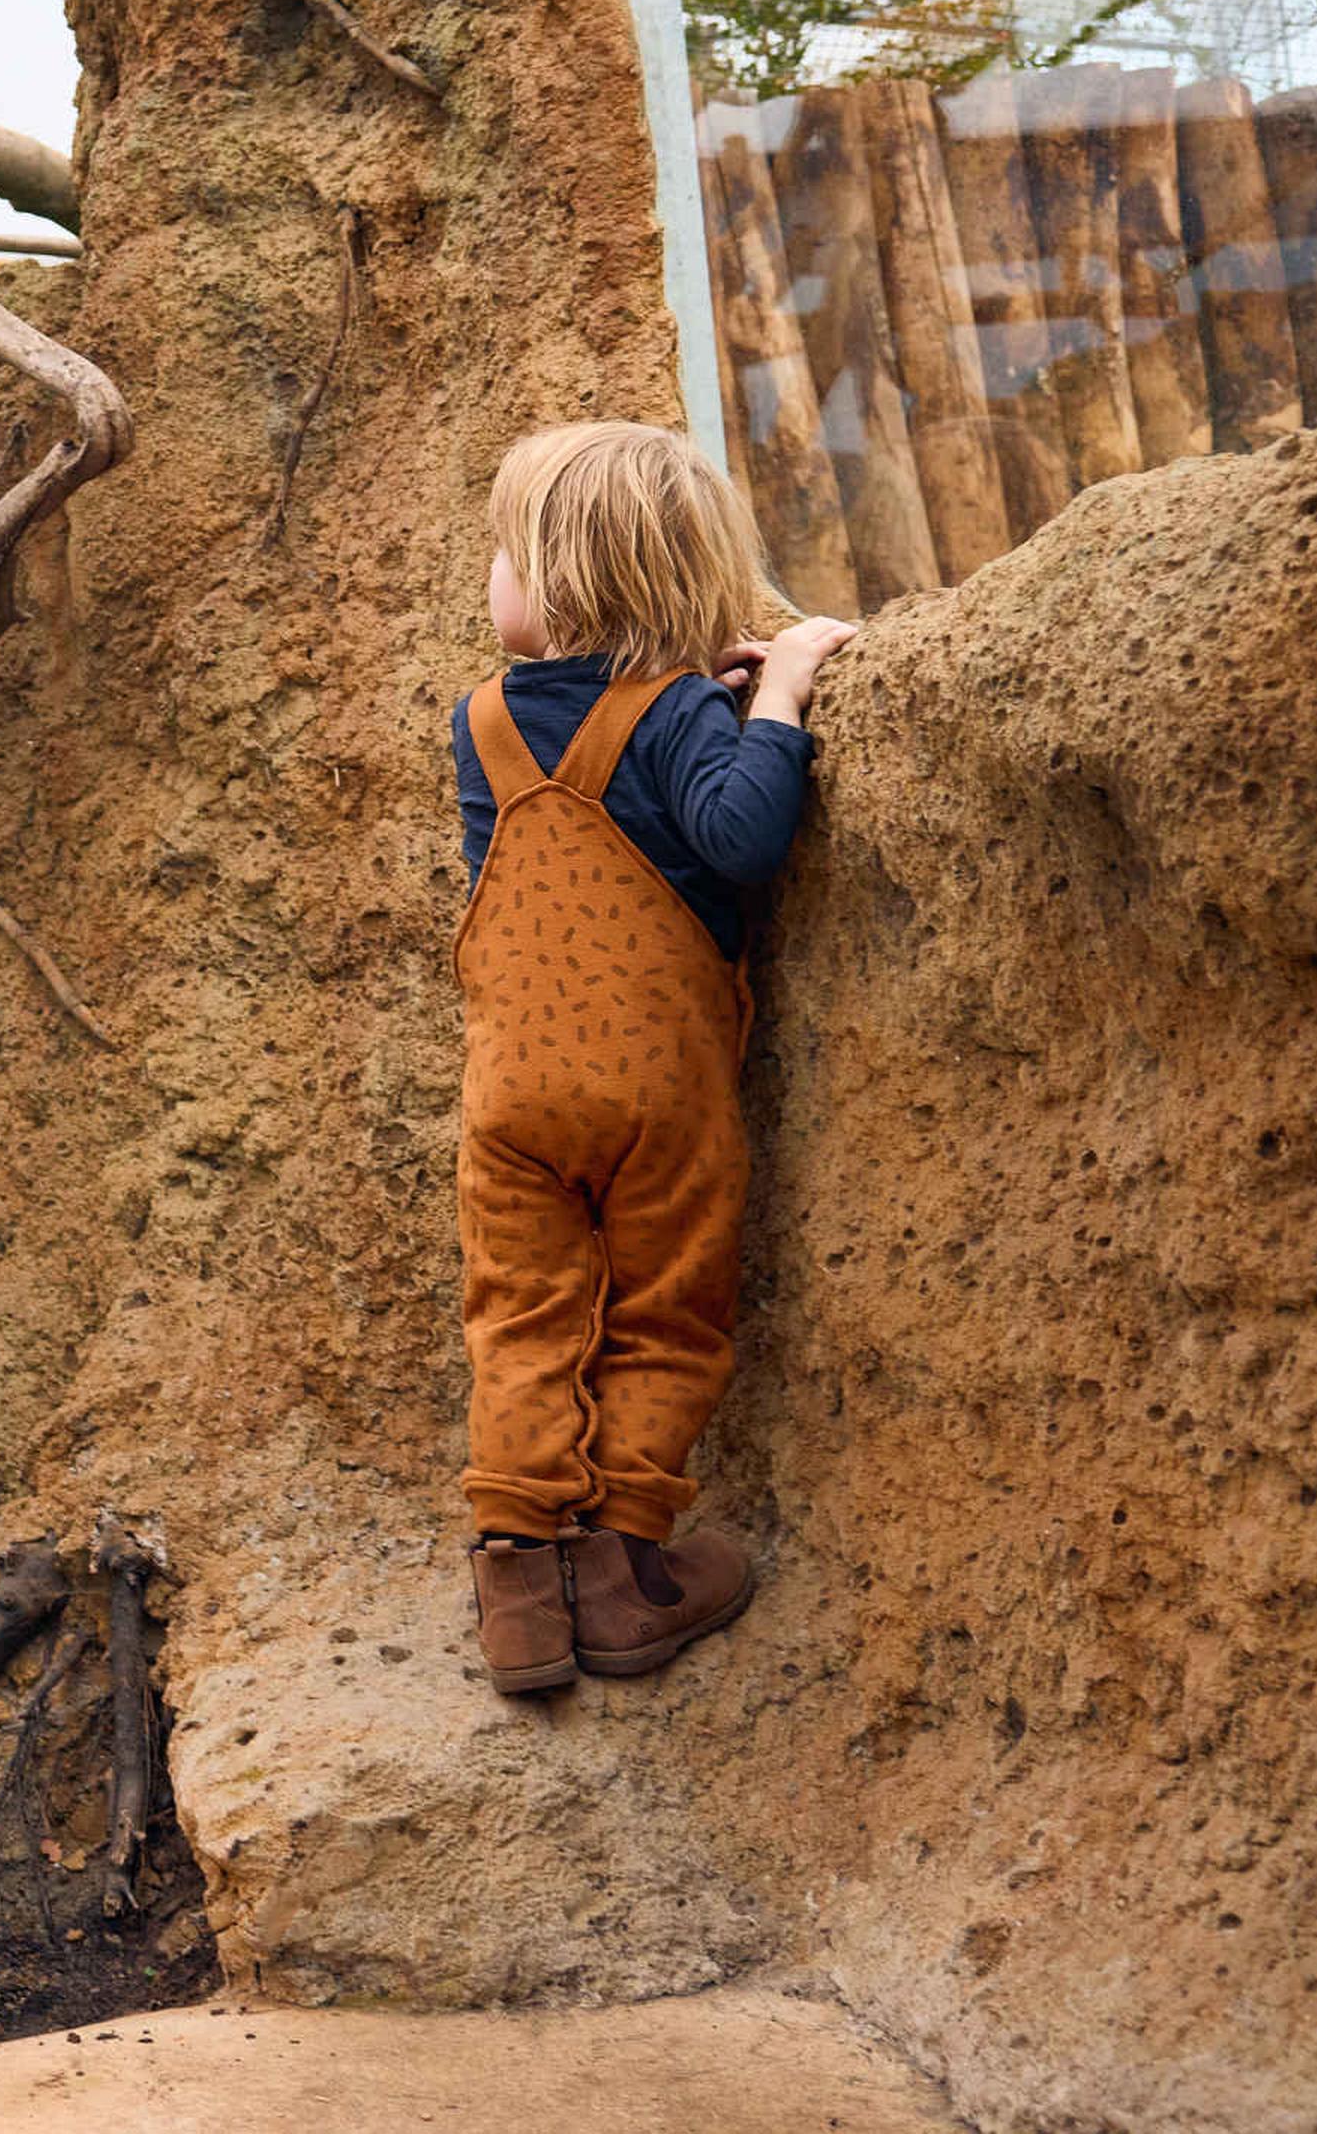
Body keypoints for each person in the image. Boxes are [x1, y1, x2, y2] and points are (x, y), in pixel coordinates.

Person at [450, 420, 857, 1696]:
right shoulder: (682, 712)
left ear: (570, 578)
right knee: (662, 1315)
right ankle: (626, 1578)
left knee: (521, 1316)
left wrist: (708, 708)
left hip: (509, 1097)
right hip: (660, 1097)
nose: (492, 576)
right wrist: (775, 696)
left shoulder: (481, 724)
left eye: (508, 552)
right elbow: (737, 840)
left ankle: (518, 1588)